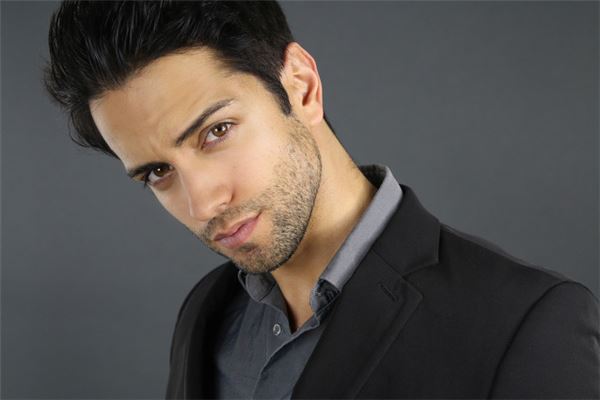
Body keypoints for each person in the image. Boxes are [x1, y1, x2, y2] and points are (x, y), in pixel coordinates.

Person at [44, 1, 599, 399]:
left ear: (301, 85)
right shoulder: (205, 313)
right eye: (158, 172)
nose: (203, 204)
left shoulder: (526, 323)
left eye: (216, 132)